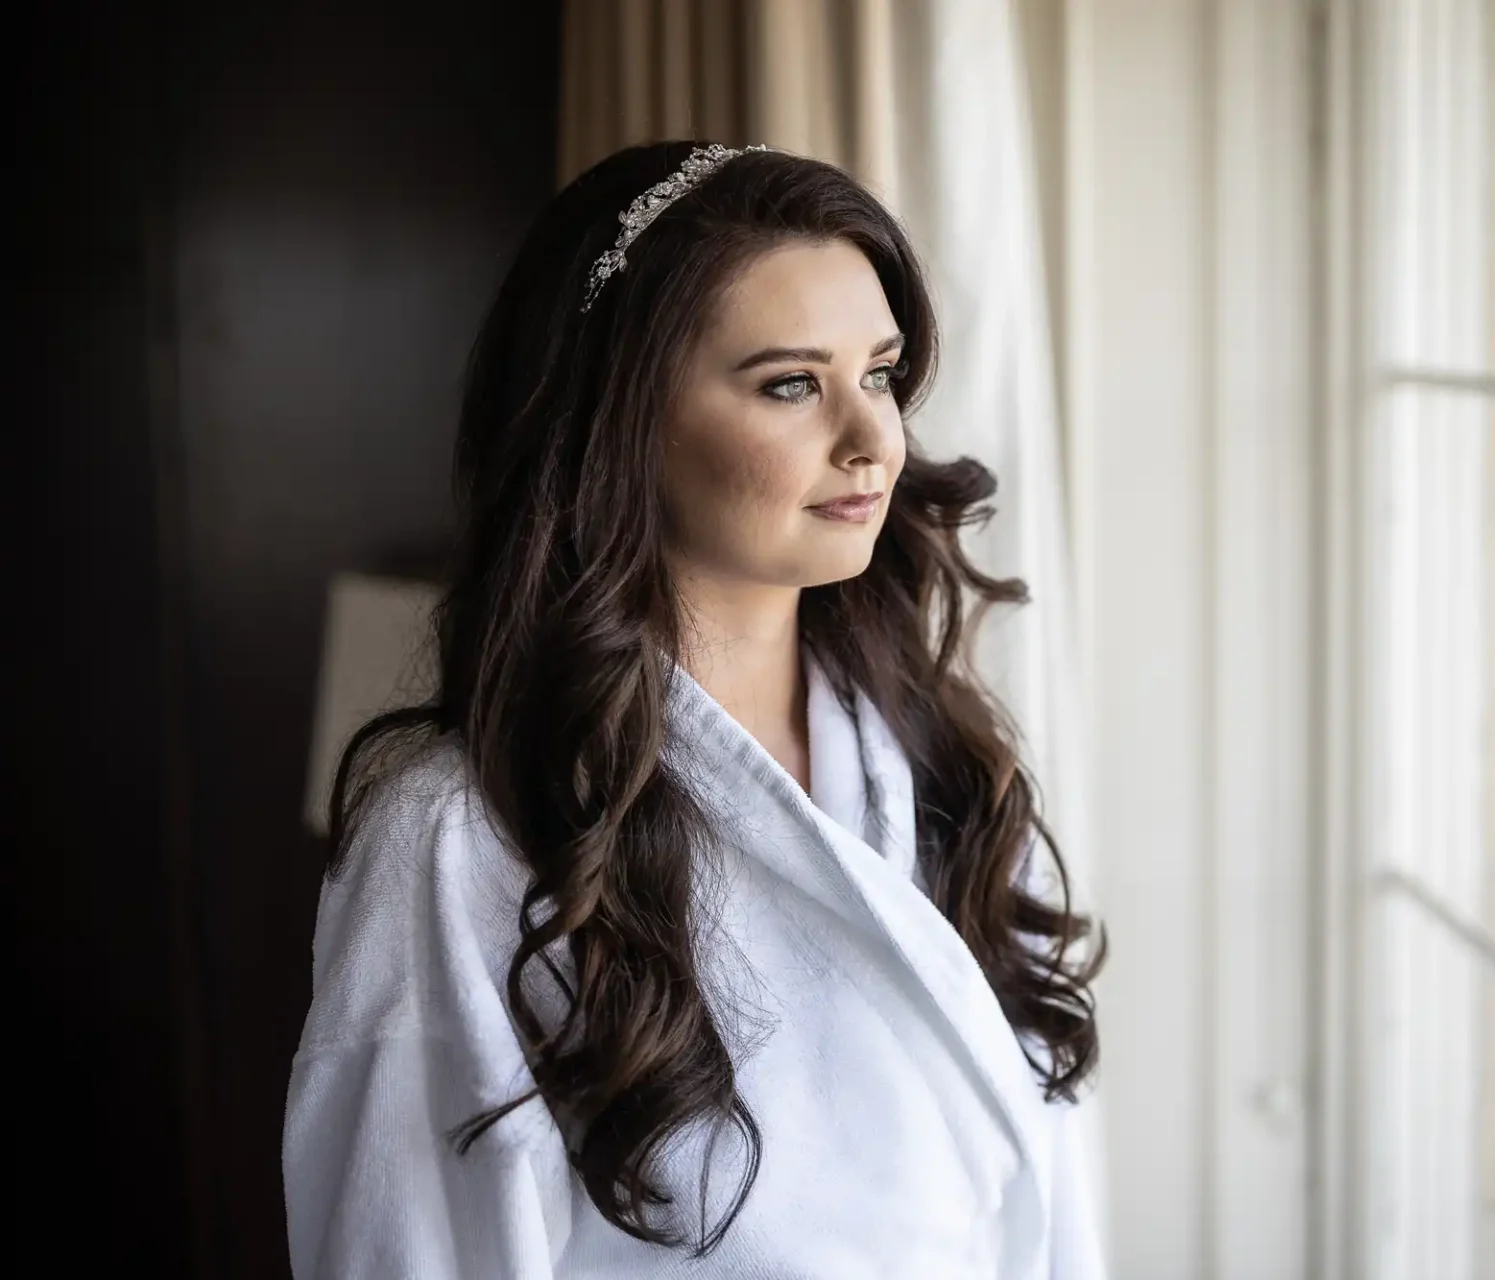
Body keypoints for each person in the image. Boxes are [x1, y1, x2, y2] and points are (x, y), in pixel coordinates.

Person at [282, 140, 1108, 1279]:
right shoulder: (458, 836)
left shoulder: (938, 751)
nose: (875, 441)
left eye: (879, 372)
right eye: (789, 384)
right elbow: (410, 1247)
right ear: (621, 421)